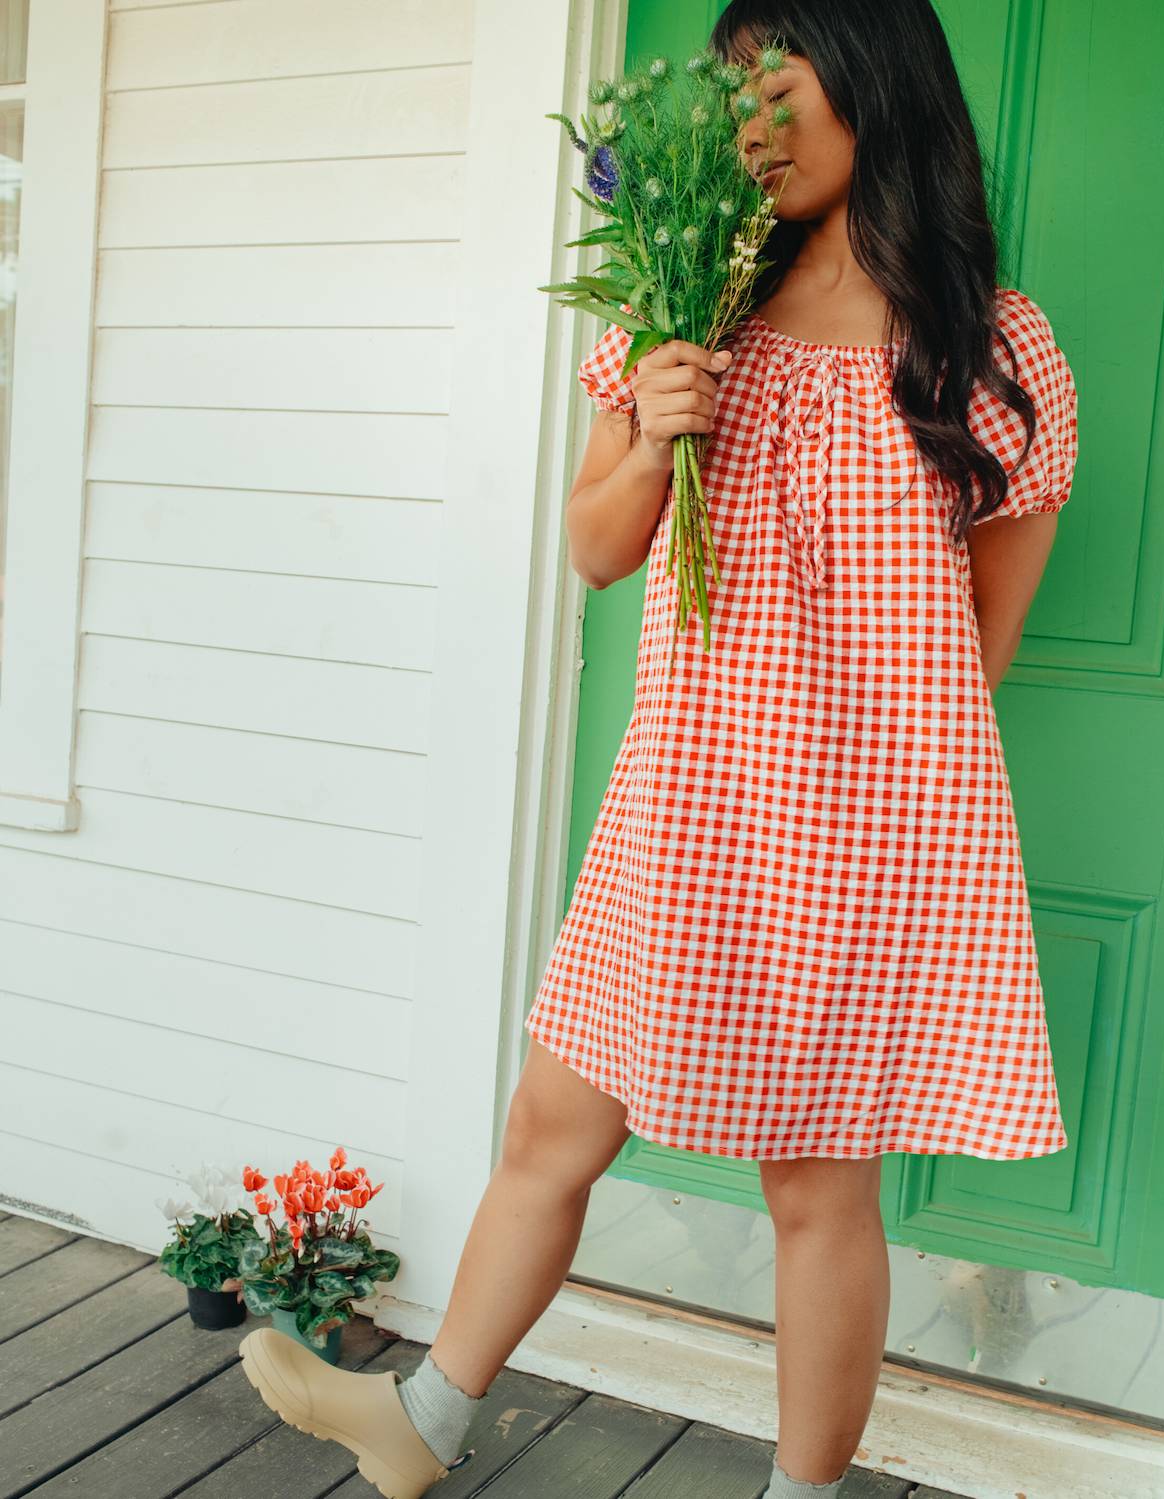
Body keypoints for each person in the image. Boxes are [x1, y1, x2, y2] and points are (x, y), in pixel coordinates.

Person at [237, 2, 1080, 1496]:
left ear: (878, 92)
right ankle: (419, 1421)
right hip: (688, 796)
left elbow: (983, 646)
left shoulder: (993, 348)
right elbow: (595, 548)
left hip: (866, 821)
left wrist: (846, 740)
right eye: (731, 83)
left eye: (782, 80)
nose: (746, 117)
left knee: (818, 1183)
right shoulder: (687, 295)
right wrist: (647, 437)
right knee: (553, 1118)